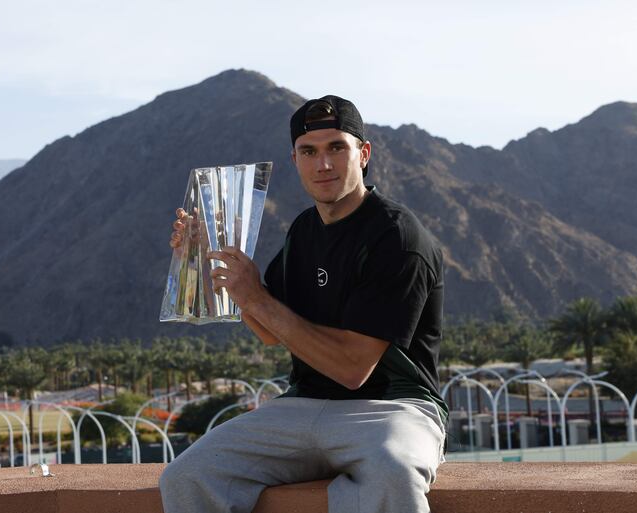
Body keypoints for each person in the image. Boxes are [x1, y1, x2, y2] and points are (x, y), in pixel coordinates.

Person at [161, 95, 448, 513]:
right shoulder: (305, 229)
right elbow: (269, 330)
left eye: (337, 148)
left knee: (393, 473)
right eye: (309, 151)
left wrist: (257, 296)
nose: (323, 164)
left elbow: (353, 369)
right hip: (303, 405)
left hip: (393, 408)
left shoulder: (398, 236)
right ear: (294, 160)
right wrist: (210, 257)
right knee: (187, 475)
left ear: (363, 154)